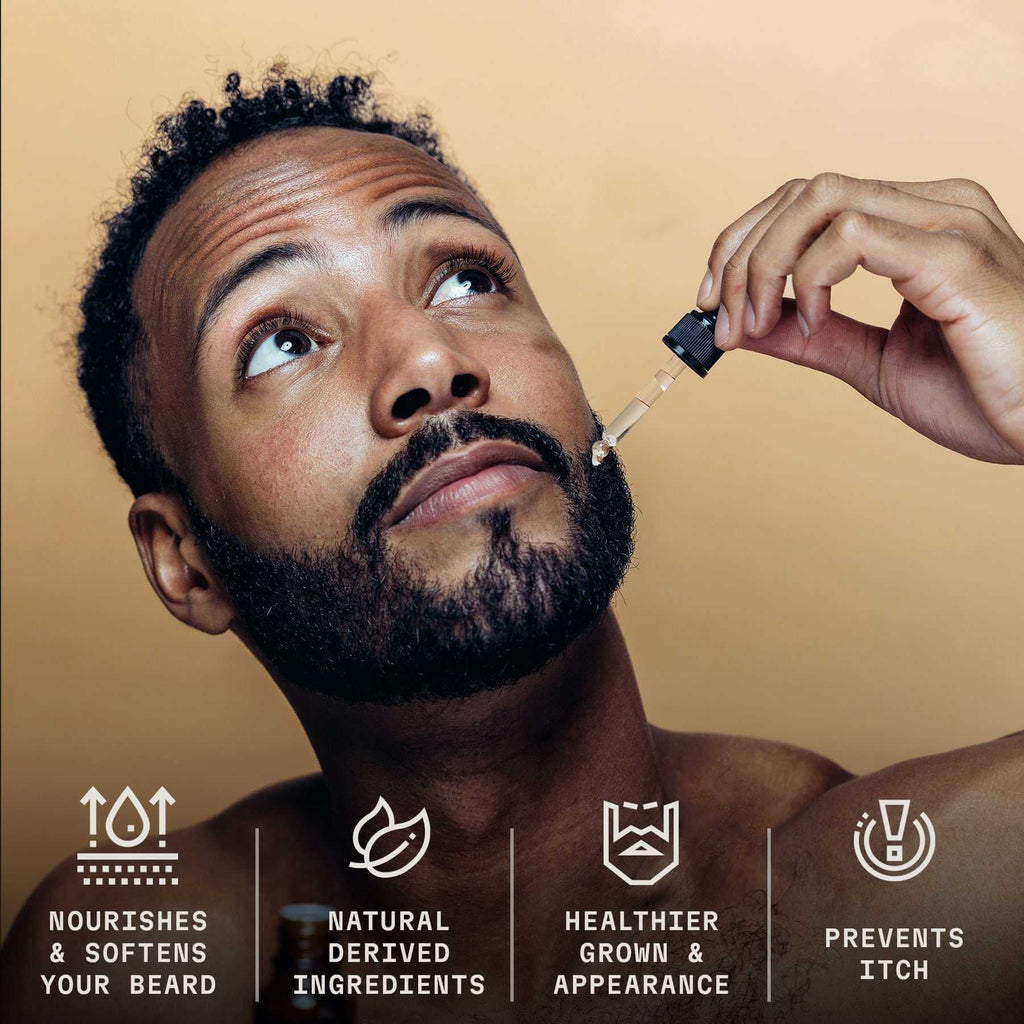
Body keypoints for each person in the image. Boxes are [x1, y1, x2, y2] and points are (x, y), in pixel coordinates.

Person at [2, 65, 1022, 1024]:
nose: (430, 360)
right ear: (187, 562)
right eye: (283, 341)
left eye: (463, 281)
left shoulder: (938, 899)